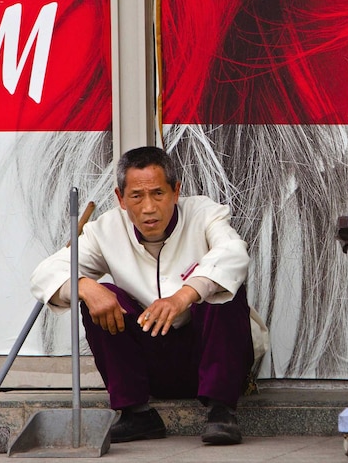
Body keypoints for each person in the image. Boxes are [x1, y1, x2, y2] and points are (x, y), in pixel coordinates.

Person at [31, 146, 259, 445]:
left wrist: (185, 295)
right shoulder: (105, 230)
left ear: (176, 191)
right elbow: (46, 272)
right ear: (121, 198)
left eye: (158, 194)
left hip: (210, 358)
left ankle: (221, 412)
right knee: (98, 294)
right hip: (153, 366)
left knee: (222, 290)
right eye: (137, 196)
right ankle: (136, 413)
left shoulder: (205, 214)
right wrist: (86, 287)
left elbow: (233, 254)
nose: (149, 207)